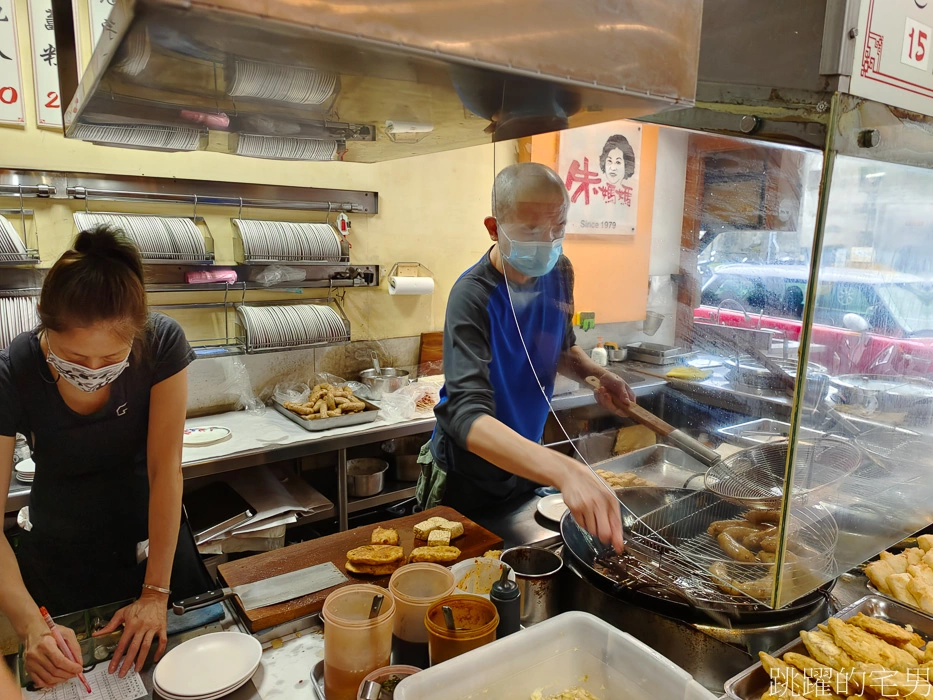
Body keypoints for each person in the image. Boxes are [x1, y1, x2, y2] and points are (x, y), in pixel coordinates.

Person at [0, 227, 211, 688]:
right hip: (62, 558)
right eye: (75, 356)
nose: (93, 372)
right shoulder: (16, 366)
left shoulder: (160, 344)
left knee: (192, 676)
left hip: (152, 545)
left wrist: (156, 592)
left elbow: (165, 471)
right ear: (45, 329)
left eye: (111, 358)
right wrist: (30, 625)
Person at [416, 163, 634, 551]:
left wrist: (596, 375)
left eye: (558, 229)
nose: (547, 242)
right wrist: (565, 471)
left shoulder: (560, 272)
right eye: (532, 230)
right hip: (472, 473)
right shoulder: (473, 295)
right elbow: (466, 415)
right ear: (494, 228)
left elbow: (562, 350)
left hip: (527, 461)